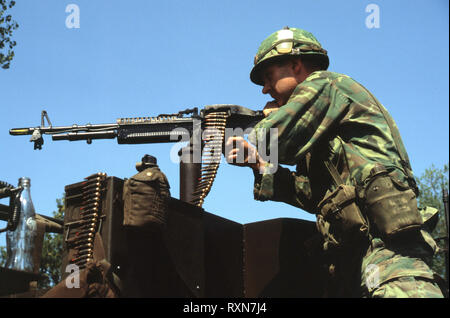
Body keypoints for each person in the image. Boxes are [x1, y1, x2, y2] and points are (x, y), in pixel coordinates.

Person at [225, 26, 444, 298]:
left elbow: (274, 140)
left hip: (391, 262)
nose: (265, 90)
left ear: (295, 65)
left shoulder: (326, 85)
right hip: (354, 267)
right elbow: (317, 198)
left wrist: (248, 129)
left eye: (268, 77)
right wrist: (261, 167)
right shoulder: (321, 129)